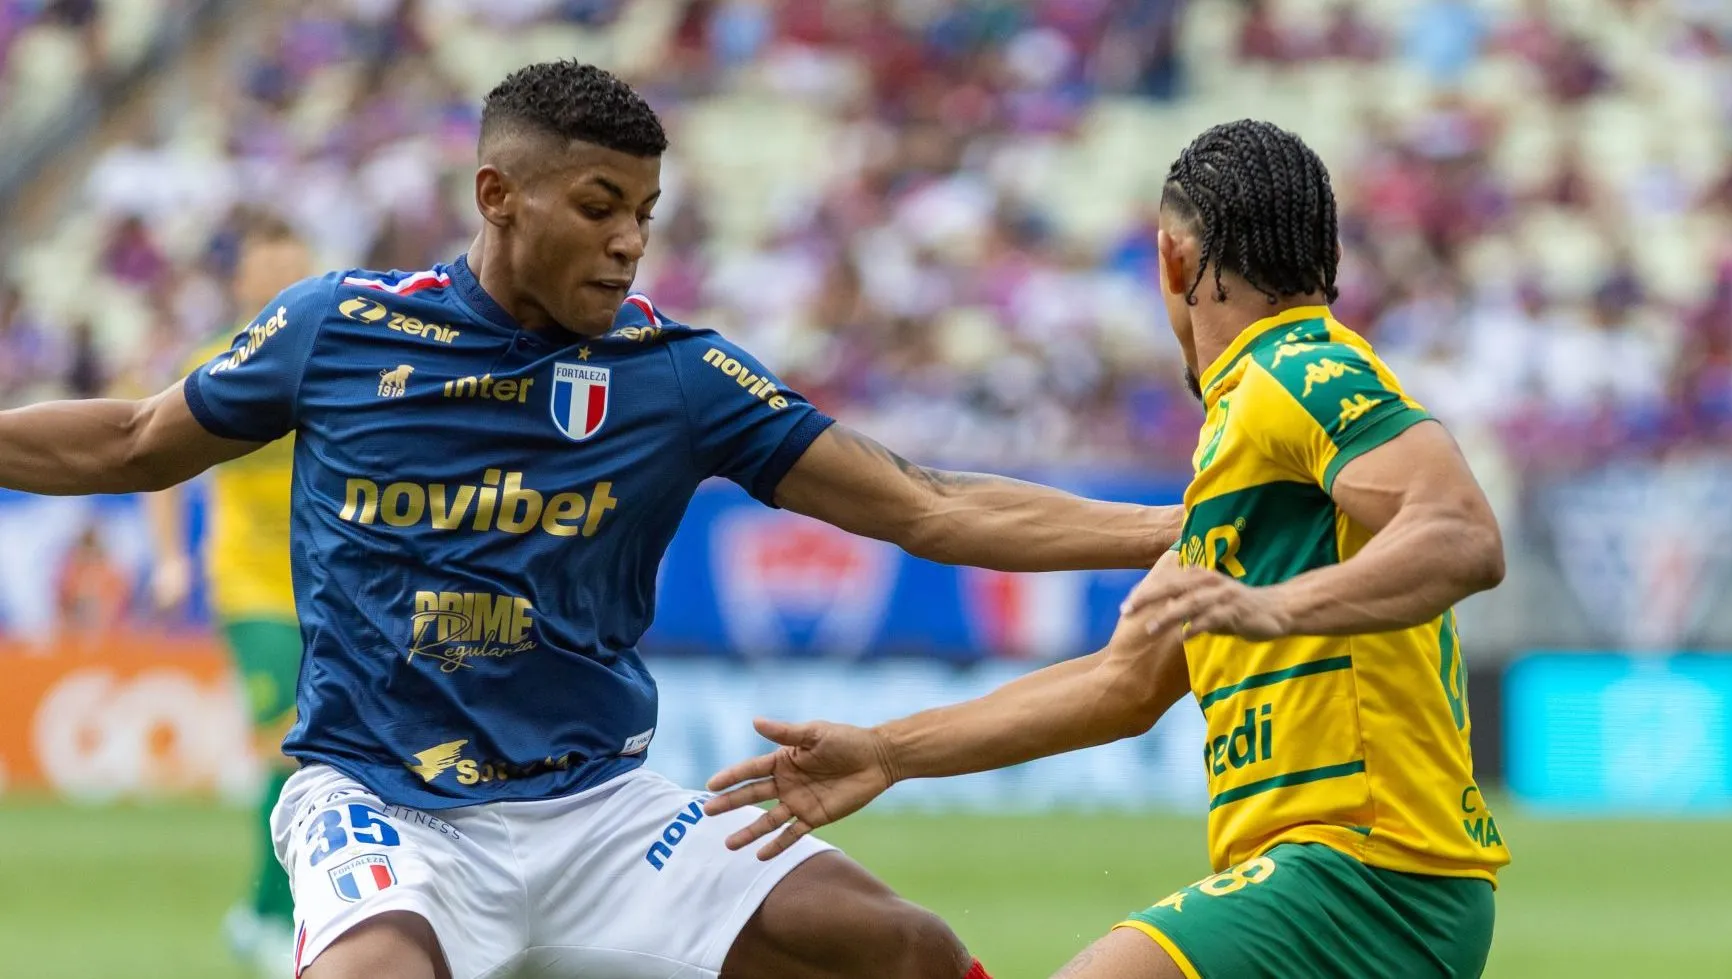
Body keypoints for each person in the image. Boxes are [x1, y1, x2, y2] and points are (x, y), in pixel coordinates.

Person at [0, 61, 1179, 979]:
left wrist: (1177, 527)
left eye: (648, 214)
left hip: (600, 808)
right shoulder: (339, 330)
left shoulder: (679, 375)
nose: (627, 239)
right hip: (382, 801)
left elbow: (930, 505)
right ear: (497, 196)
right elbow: (132, 441)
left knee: (903, 947)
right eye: (601, 204)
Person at [706, 120, 1512, 979]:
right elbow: (1120, 683)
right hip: (1343, 884)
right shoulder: (1244, 440)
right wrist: (888, 750)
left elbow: (1461, 532)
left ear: (1172, 260)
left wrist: (1275, 607)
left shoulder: (1296, 367)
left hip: (1364, 877)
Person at [145, 212, 313, 976]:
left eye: (294, 271)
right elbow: (152, 453)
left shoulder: (337, 360)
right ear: (242, 282)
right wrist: (170, 556)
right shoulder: (218, 363)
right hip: (249, 587)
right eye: (268, 272)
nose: (282, 285)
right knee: (286, 740)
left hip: (332, 588)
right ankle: (274, 916)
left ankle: (259, 910)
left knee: (325, 753)